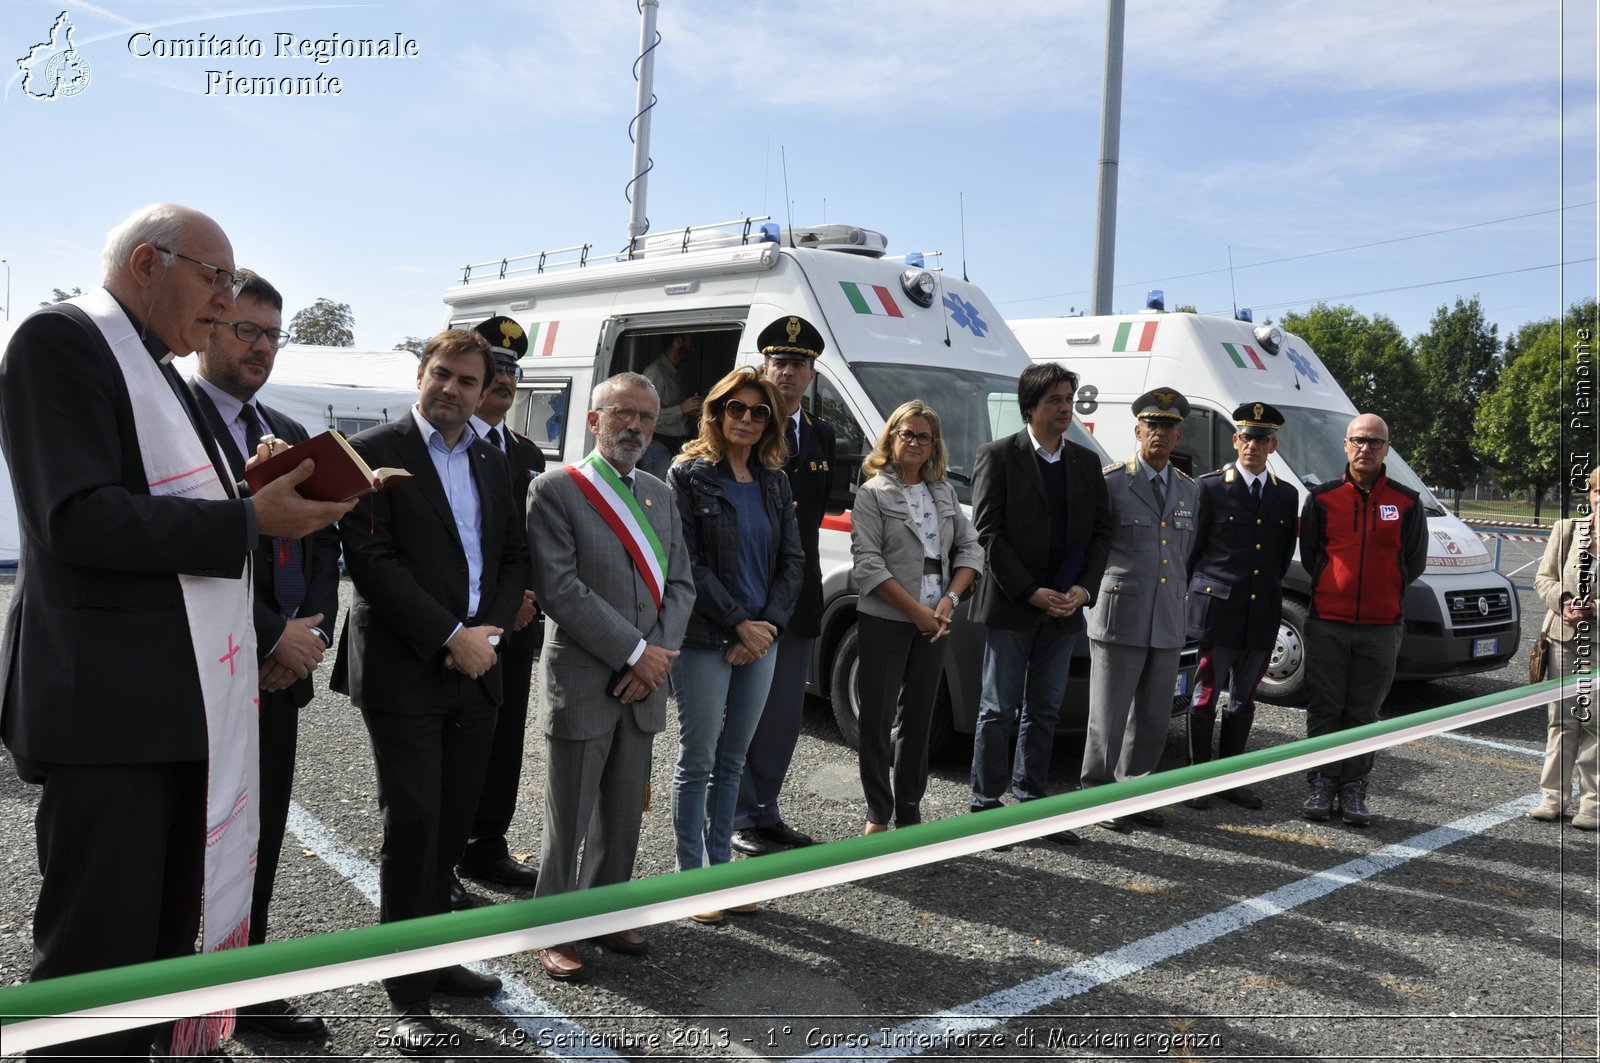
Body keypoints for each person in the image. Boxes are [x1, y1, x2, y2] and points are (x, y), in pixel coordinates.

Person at [0, 203, 352, 1059]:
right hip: (110, 712)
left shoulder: (159, 368)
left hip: (178, 703)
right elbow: (74, 517)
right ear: (150, 264)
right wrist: (249, 522)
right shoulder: (60, 343)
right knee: (97, 963)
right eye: (215, 278)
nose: (225, 301)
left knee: (159, 950)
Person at [331, 328, 529, 1054]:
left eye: (466, 382)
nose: (451, 389)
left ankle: (438, 958)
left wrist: (492, 636)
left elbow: (513, 555)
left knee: (451, 827)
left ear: (483, 394)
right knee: (412, 823)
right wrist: (453, 636)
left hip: (482, 665)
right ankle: (406, 992)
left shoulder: (489, 455)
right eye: (441, 374)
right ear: (420, 374)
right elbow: (372, 563)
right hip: (408, 666)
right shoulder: (375, 451)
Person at [188, 270, 340, 1040]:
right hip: (200, 671)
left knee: (260, 836)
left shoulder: (284, 426)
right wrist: (268, 629)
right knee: (193, 839)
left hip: (279, 678)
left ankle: (240, 986)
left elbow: (323, 539)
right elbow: (187, 549)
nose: (261, 348)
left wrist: (307, 638)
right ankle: (184, 999)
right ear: (208, 327)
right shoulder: (174, 422)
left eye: (273, 335)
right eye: (246, 330)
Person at [526, 372, 694, 982]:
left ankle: (604, 912)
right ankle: (553, 925)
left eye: (646, 418)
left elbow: (681, 584)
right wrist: (634, 653)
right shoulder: (557, 489)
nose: (635, 427)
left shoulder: (659, 492)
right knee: (568, 814)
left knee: (624, 811)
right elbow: (559, 588)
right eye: (622, 414)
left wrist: (657, 655)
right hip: (586, 674)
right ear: (594, 419)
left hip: (646, 677)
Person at [668, 367, 803, 918]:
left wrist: (765, 624)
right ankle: (689, 877)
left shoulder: (775, 480)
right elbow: (688, 564)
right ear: (717, 413)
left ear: (770, 420)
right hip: (705, 636)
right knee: (697, 758)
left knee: (733, 758)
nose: (746, 419)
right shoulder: (688, 474)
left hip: (760, 638)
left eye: (758, 411)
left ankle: (720, 870)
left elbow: (793, 561)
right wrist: (737, 624)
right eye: (735, 409)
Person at [969, 362, 1112, 845]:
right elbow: (987, 532)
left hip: (1065, 609)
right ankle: (985, 805)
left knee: (1045, 709)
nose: (1065, 407)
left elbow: (1100, 533)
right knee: (997, 707)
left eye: (1069, 398)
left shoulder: (1085, 463)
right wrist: (1030, 589)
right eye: (1055, 399)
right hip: (1014, 605)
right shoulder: (998, 456)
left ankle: (1031, 799)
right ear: (1030, 406)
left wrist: (1083, 591)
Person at [731, 315, 837, 857]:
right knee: (740, 713)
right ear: (763, 366)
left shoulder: (820, 434)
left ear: (813, 373)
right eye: (779, 362)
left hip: (798, 595)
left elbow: (813, 521)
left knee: (782, 716)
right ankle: (733, 814)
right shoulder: (743, 428)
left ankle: (764, 810)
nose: (788, 372)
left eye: (798, 364)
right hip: (748, 597)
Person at [850, 400, 981, 832]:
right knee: (877, 717)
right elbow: (868, 564)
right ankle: (877, 812)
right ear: (891, 437)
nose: (914, 442)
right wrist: (917, 612)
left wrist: (948, 602)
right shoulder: (872, 492)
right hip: (887, 617)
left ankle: (908, 811)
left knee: (919, 719)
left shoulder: (942, 492)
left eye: (923, 437)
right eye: (906, 433)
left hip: (936, 619)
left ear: (933, 447)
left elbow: (970, 549)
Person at [456, 315, 547, 903]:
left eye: (514, 369)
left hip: (517, 625)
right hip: (463, 627)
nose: (505, 378)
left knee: (505, 739)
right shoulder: (445, 444)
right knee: (458, 745)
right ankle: (446, 855)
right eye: (496, 367)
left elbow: (536, 539)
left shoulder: (525, 451)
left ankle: (488, 846)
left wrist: (527, 601)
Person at [1298, 413, 1426, 827]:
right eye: (1359, 440)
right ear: (1345, 444)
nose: (1366, 448)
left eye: (1375, 442)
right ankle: (1322, 781)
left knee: (1364, 713)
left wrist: (1383, 587)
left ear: (1387, 448)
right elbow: (1314, 551)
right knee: (1325, 708)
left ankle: (1353, 787)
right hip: (1328, 623)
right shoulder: (1321, 498)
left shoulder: (1407, 502)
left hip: (1381, 627)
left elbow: (1414, 561)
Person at [1080, 388, 1199, 833]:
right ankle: (1096, 797)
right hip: (1120, 614)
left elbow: (1190, 551)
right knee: (1108, 717)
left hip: (1167, 616)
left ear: (1178, 433)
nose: (1161, 434)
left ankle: (1136, 792)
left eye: (1169, 427)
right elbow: (1094, 549)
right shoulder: (1111, 482)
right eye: (1153, 425)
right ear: (1137, 430)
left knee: (1152, 715)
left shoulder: (1189, 490)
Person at [1181, 402, 1298, 812]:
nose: (1253, 445)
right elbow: (1192, 553)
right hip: (1219, 609)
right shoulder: (1209, 487)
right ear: (1235, 441)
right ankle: (1196, 781)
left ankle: (1229, 779)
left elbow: (1280, 559)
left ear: (1273, 445)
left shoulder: (1285, 496)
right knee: (1206, 693)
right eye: (1246, 437)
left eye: (1262, 438)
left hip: (1261, 611)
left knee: (1244, 698)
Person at [1529, 467, 1599, 830]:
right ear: (1590, 494)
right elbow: (1543, 579)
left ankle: (1592, 805)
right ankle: (1552, 798)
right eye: (1598, 491)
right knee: (1561, 722)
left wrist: (1594, 610)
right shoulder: (1568, 530)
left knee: (1596, 725)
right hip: (1563, 639)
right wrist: (1565, 600)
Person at [639, 333, 703, 478]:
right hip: (658, 447)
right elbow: (645, 416)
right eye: (690, 341)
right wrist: (681, 409)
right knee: (657, 495)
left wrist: (688, 412)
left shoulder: (676, 373)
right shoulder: (655, 372)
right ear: (678, 342)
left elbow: (675, 410)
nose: (692, 348)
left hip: (677, 446)